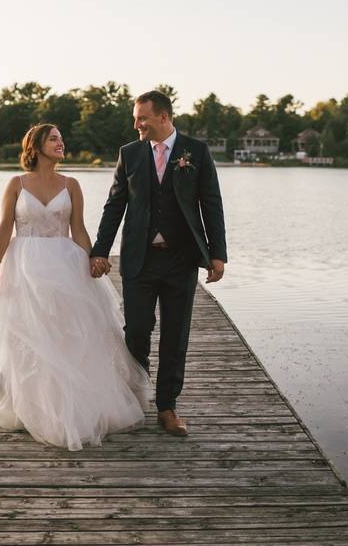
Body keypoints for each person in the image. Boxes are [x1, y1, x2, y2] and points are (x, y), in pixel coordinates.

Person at [0, 123, 151, 450]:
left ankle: (69, 400)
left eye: (61, 140)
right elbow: (4, 227)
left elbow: (78, 229)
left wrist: (93, 258)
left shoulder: (72, 184)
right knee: (29, 333)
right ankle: (28, 398)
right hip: (24, 263)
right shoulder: (16, 184)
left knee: (67, 331)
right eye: (54, 139)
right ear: (36, 145)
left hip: (64, 263)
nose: (61, 144)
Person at [90, 90, 227, 437]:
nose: (136, 124)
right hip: (140, 259)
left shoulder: (195, 152)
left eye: (142, 118)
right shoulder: (130, 154)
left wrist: (217, 254)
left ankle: (167, 406)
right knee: (136, 329)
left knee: (175, 335)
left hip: (181, 260)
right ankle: (136, 395)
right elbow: (114, 206)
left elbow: (211, 203)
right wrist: (99, 251)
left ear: (163, 117)